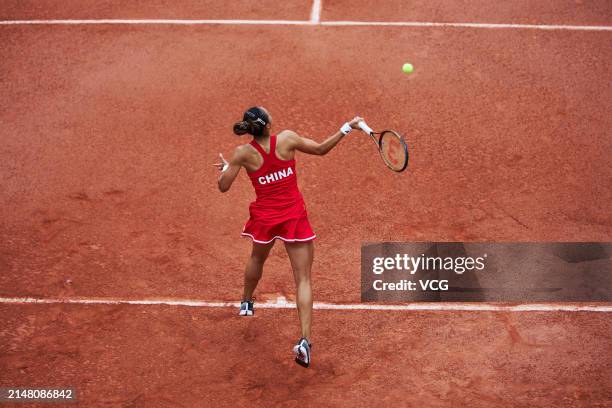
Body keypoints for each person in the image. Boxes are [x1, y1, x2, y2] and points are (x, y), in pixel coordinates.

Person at [214, 106, 363, 367]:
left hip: (266, 219)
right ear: (268, 124)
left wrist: (228, 168)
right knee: (303, 279)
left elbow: (223, 187)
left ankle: (246, 302)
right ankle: (305, 340)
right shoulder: (287, 139)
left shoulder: (243, 154)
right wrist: (347, 127)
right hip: (293, 218)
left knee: (257, 258)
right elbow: (320, 149)